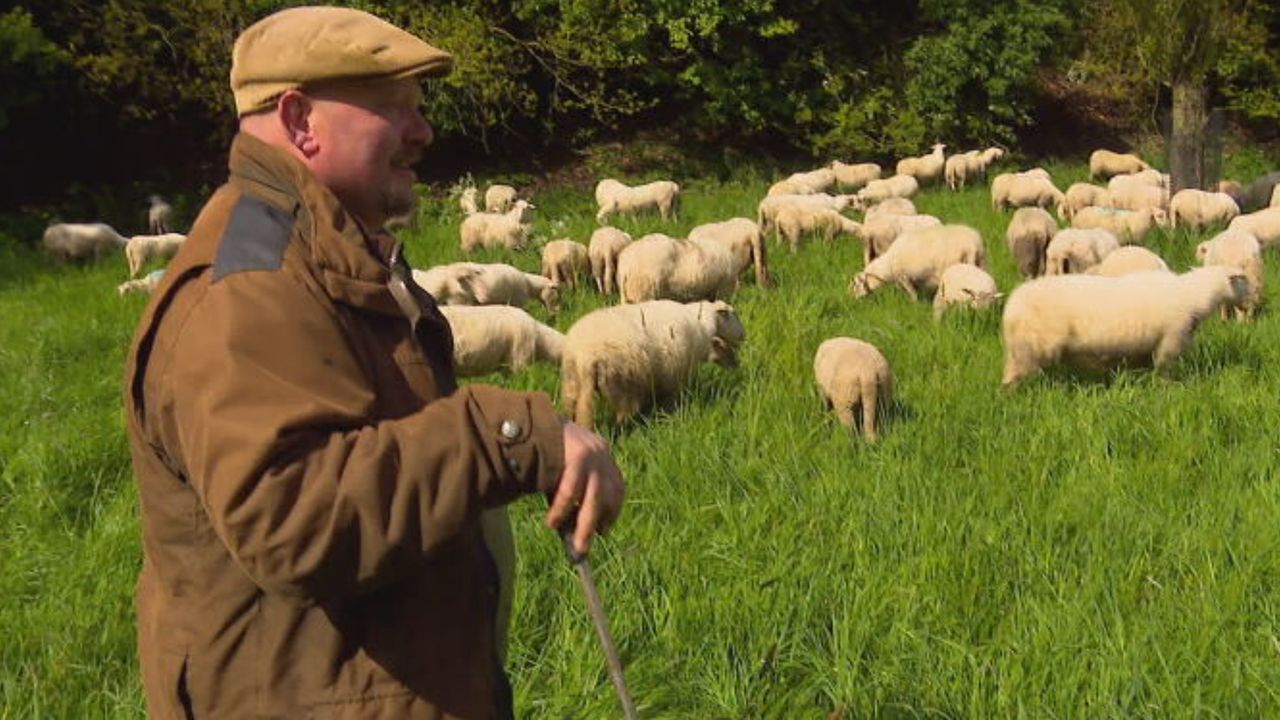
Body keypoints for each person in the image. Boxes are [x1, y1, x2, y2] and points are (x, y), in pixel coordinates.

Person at [122, 6, 625, 718]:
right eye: (395, 110)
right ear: (300, 121)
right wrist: (499, 436)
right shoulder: (249, 287)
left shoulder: (323, 250)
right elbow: (291, 517)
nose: (423, 132)